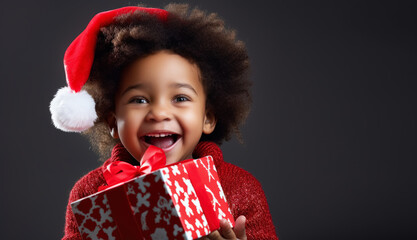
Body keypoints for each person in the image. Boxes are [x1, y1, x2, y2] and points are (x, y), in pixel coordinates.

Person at [50, 4, 277, 240]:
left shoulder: (240, 188)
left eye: (180, 98)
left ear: (207, 118)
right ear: (112, 122)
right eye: (138, 100)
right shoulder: (89, 192)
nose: (158, 113)